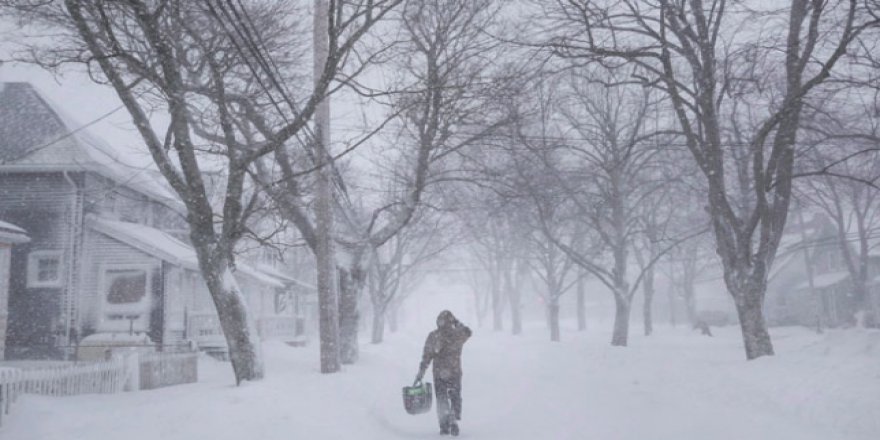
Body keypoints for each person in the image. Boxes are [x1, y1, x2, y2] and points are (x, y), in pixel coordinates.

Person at [415, 310, 472, 436]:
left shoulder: (434, 336)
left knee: (441, 398)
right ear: (451, 321)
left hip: (439, 373)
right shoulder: (458, 335)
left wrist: (421, 372)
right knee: (455, 395)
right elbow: (468, 332)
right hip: (455, 371)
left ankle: (444, 425)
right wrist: (457, 322)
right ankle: (453, 416)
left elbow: (426, 356)